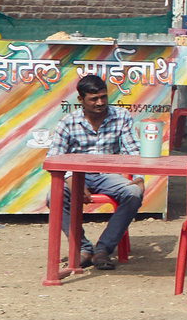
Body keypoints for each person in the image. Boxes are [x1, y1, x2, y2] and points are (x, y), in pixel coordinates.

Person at [50, 73, 160, 270]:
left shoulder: (121, 116)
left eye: (103, 97)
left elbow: (132, 150)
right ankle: (83, 249)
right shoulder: (67, 123)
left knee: (134, 193)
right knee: (53, 197)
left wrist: (139, 178)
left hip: (108, 175)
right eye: (94, 99)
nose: (100, 103)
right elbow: (54, 159)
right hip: (76, 175)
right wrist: (72, 182)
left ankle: (104, 249)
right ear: (81, 100)